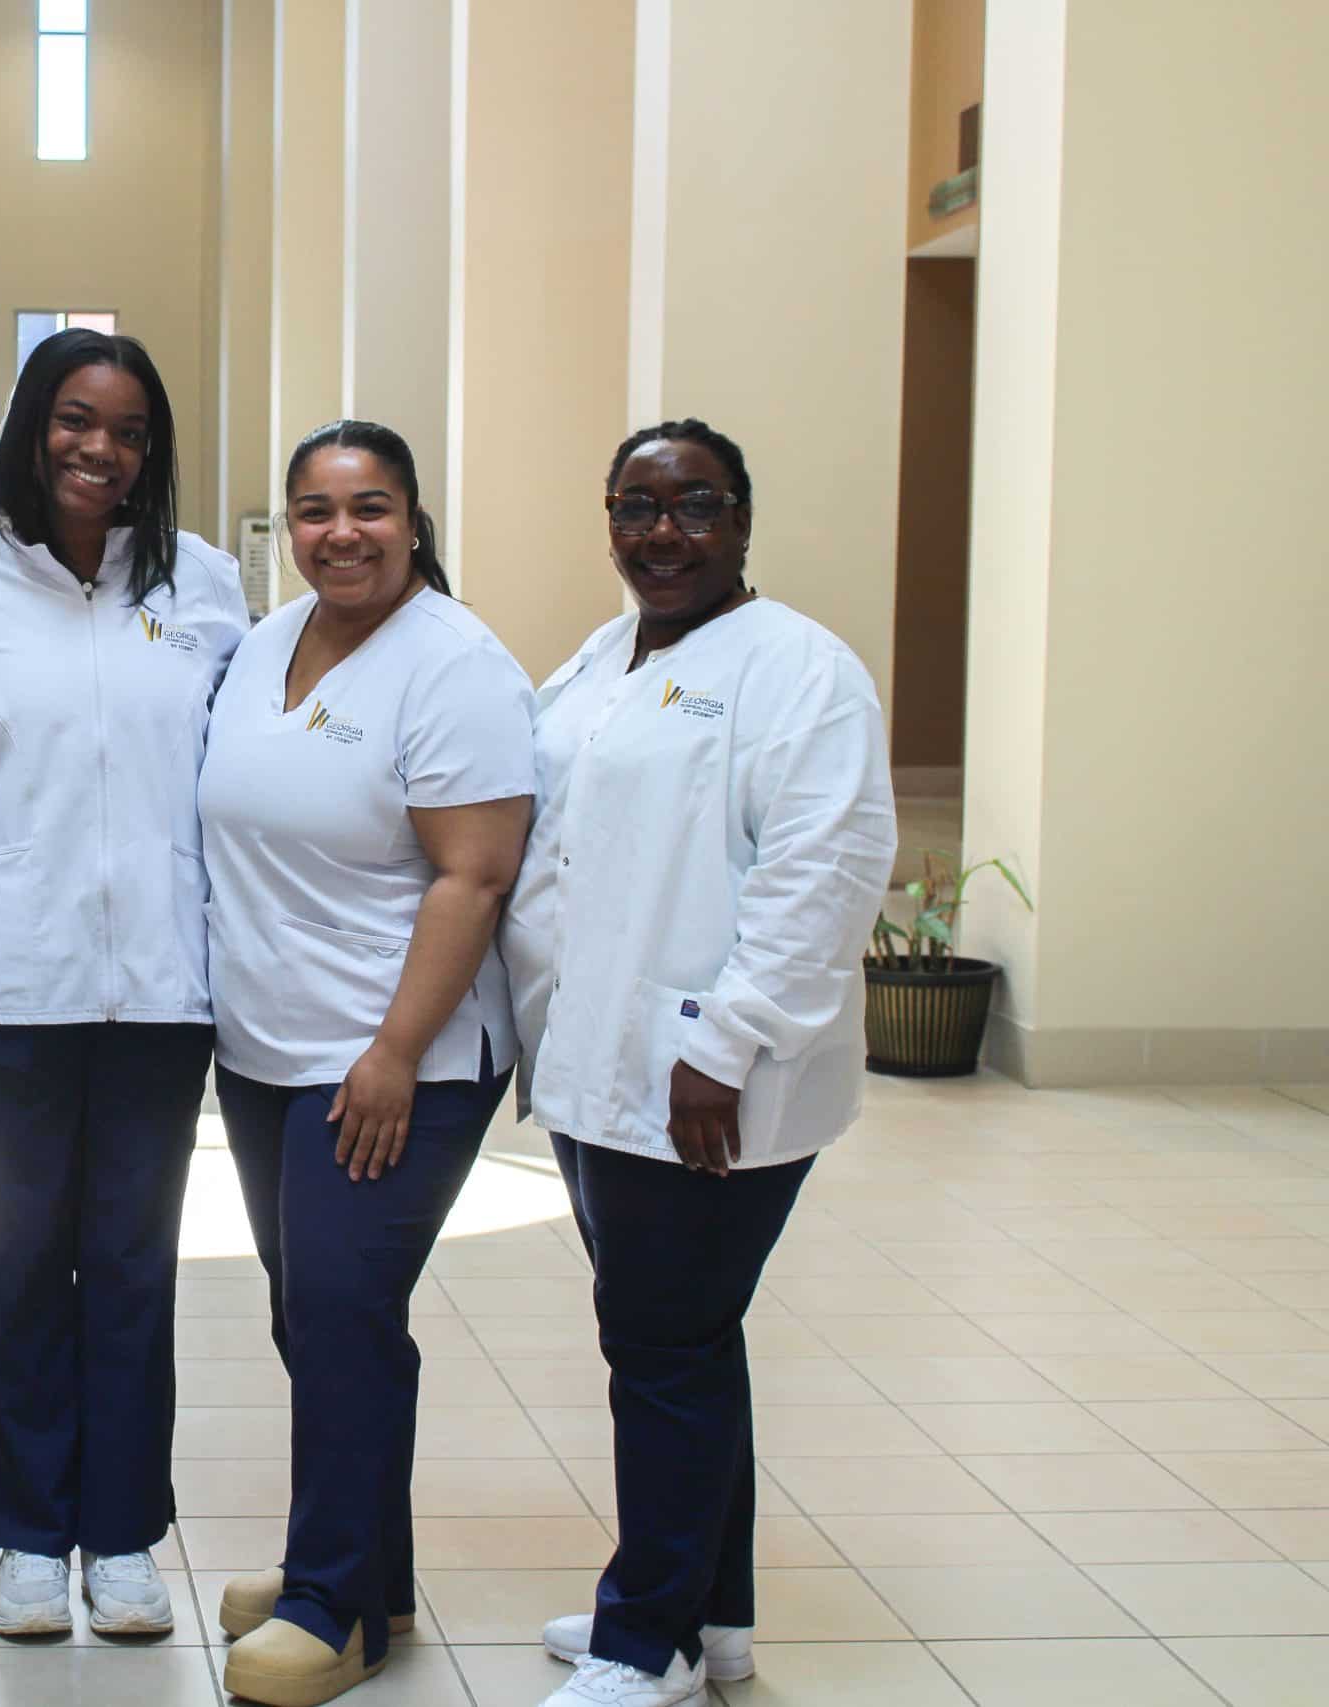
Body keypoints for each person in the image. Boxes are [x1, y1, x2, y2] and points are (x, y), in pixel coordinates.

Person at [499, 419, 897, 1707]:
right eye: (635, 505)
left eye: (694, 504)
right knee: (684, 1339)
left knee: (661, 1345)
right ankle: (713, 1619)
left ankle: (646, 1640)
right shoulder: (603, 656)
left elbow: (823, 874)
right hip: (596, 1063)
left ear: (742, 520)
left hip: (705, 1081)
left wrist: (722, 1044)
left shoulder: (801, 670)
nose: (661, 532)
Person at [0, 328, 248, 1637]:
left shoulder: (205, 586)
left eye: (127, 428)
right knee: (24, 1263)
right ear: (30, 428)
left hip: (163, 987)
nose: (98, 448)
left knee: (131, 1264)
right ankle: (25, 1534)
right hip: (12, 983)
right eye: (73, 418)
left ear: (151, 448)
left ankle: (119, 1533)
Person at [201, 422, 535, 1707]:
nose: (341, 533)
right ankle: (362, 1570)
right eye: (315, 510)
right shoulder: (270, 640)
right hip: (267, 1048)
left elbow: (474, 875)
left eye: (370, 507)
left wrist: (395, 1051)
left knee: (342, 1314)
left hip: (397, 1057)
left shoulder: (453, 666)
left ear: (412, 519)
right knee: (312, 1316)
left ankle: (332, 1607)